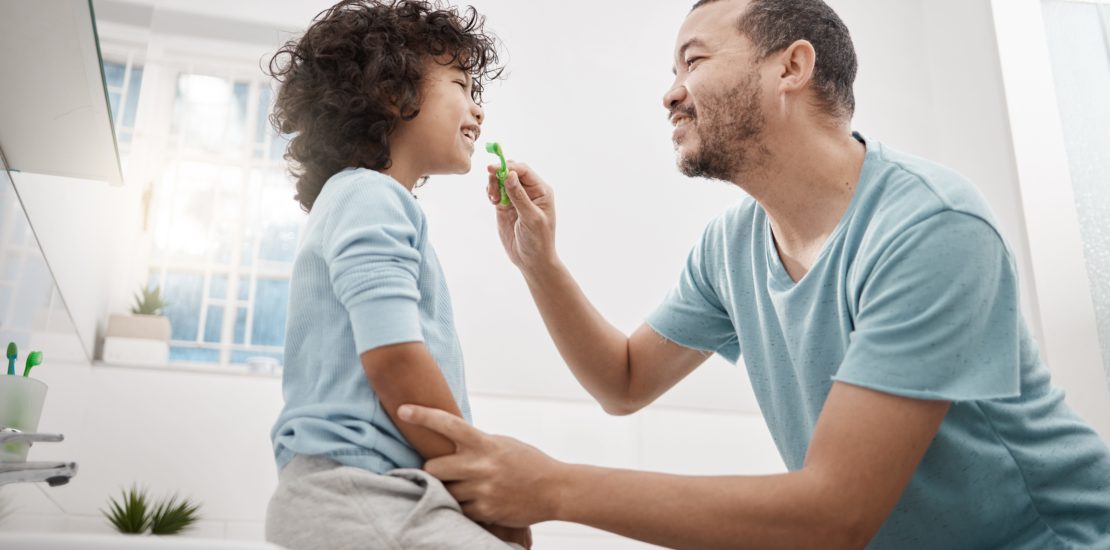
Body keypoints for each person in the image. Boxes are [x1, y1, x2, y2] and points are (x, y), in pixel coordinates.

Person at [398, 0, 1110, 547]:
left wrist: (551, 487)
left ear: (791, 68)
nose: (671, 93)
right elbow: (623, 381)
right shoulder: (731, 248)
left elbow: (834, 515)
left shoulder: (932, 227)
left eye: (693, 61)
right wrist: (539, 262)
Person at [261, 1, 529, 548]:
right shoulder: (369, 194)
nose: (479, 111)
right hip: (360, 491)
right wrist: (481, 479)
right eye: (461, 84)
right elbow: (395, 357)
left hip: (370, 492)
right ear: (392, 92)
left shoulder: (362, 200)